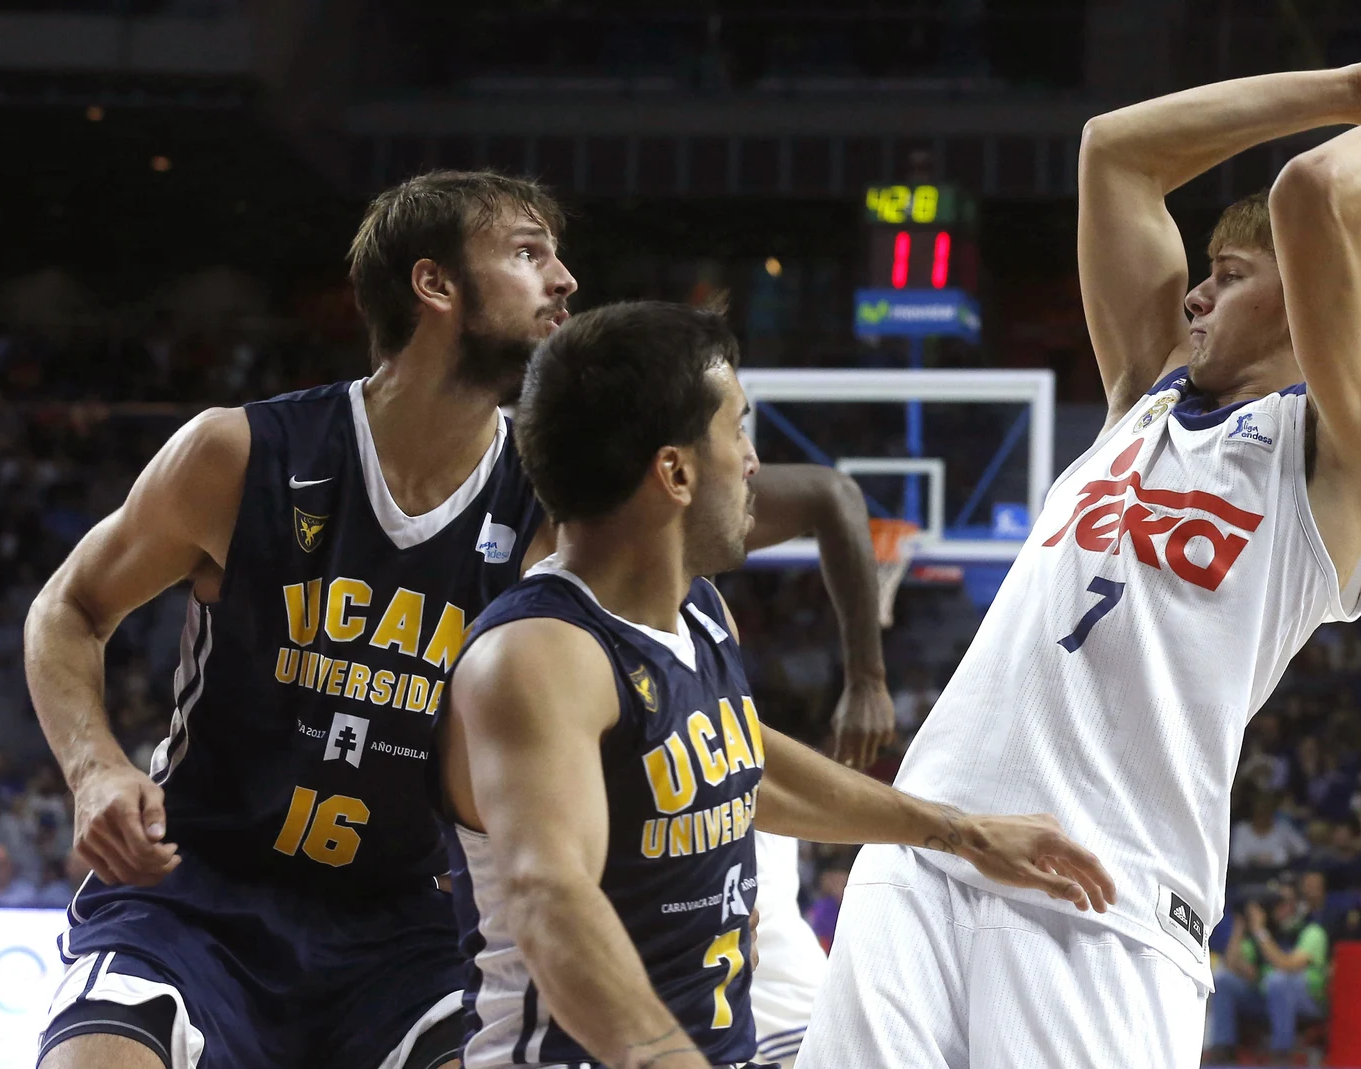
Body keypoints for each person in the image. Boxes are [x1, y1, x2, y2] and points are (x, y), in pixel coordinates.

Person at [799, 23, 1361, 1067]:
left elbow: (1311, 197)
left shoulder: (1346, 453)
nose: (1196, 293)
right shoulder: (1142, 395)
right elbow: (1112, 151)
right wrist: (1354, 86)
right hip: (927, 844)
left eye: (1228, 271)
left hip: (1102, 898)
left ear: (1306, 301)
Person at [24, 169, 893, 1069]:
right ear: (434, 285)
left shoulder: (558, 517)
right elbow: (69, 607)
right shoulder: (241, 455)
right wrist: (95, 768)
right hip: (197, 896)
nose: (565, 281)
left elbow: (710, 727)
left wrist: (939, 825)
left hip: (414, 933)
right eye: (528, 254)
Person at [436, 301, 1115, 1069]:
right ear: (676, 470)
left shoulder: (698, 612)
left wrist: (961, 831)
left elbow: (743, 763)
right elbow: (548, 896)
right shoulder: (538, 654)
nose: (753, 460)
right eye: (738, 429)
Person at [1207, 882, 1329, 1064]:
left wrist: (1259, 930)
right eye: (1276, 903)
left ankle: (1282, 1051)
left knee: (1278, 981)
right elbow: (1232, 964)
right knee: (1223, 980)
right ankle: (1224, 1047)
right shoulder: (1265, 934)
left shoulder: (1312, 931)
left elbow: (1286, 965)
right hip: (1266, 997)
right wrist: (1240, 926)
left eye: (1286, 902)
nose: (1280, 908)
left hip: (1307, 1000)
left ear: (1299, 905)